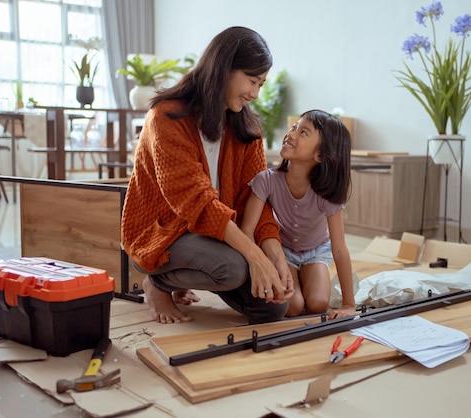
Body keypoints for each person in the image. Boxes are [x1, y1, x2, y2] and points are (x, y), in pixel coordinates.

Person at [121, 26, 294, 325]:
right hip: (165, 231)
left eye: (261, 84)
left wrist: (274, 256)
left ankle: (190, 273)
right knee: (235, 267)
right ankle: (158, 282)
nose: (255, 93)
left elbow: (257, 200)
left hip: (213, 232)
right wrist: (254, 256)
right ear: (224, 69)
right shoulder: (166, 117)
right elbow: (196, 204)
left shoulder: (247, 132)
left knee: (271, 308)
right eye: (252, 81)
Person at [241, 110, 356, 319]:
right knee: (292, 307)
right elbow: (247, 230)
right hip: (284, 251)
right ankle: (299, 279)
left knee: (318, 304)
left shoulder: (326, 194)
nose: (291, 134)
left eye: (303, 133)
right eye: (294, 127)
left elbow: (339, 249)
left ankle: (308, 278)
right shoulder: (266, 180)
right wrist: (258, 266)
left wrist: (349, 304)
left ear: (320, 155)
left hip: (317, 251)